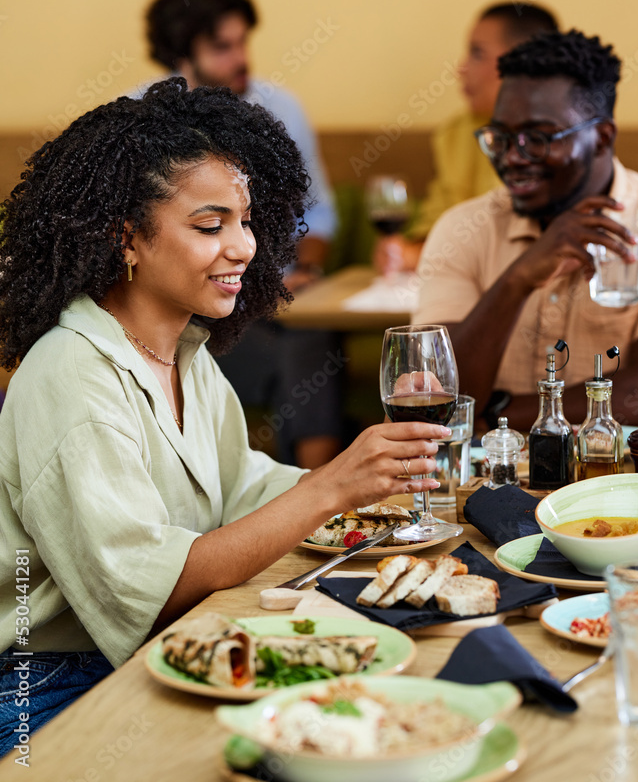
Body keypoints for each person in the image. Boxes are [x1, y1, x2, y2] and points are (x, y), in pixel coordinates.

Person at [0, 80, 444, 754]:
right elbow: (156, 588)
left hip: (154, 645)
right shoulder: (72, 376)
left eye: (246, 221)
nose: (243, 247)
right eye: (210, 226)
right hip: (45, 689)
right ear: (128, 239)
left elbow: (244, 489)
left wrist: (369, 468)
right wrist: (332, 488)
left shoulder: (181, 351)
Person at [413, 30, 638, 431]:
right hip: (492, 481)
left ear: (602, 137)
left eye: (538, 138)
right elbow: (436, 394)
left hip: (621, 478)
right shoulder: (463, 228)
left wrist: (494, 413)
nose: (513, 157)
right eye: (501, 137)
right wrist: (518, 278)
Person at [143, 0, 341, 468]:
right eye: (222, 47)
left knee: (310, 329)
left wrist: (305, 272)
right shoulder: (140, 122)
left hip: (283, 298)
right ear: (180, 54)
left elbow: (319, 214)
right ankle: (318, 490)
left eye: (243, 42)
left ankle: (317, 494)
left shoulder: (280, 109)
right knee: (299, 351)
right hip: (196, 304)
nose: (240, 59)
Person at [375, 1, 559, 274]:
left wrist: (432, 254)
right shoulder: (456, 133)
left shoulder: (562, 136)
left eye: (477, 54)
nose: (460, 69)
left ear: (524, 61)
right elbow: (436, 221)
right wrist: (405, 253)